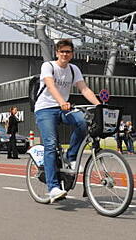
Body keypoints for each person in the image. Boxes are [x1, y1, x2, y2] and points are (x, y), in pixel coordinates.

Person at [34, 39, 100, 203]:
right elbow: (50, 86)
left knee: (82, 122)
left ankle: (71, 157)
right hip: (45, 109)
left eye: (68, 52)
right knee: (50, 144)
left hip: (64, 108)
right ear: (57, 53)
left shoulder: (73, 69)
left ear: (72, 54)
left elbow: (84, 88)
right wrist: (61, 101)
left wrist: (100, 105)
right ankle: (53, 188)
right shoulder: (48, 66)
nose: (65, 54)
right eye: (62, 51)